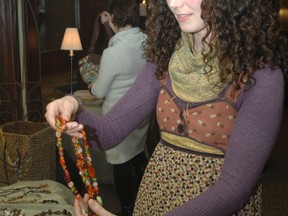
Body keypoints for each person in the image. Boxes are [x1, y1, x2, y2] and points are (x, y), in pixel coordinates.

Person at [46, 0, 288, 215]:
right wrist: (74, 107)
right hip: (158, 194)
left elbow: (234, 188)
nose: (173, 4)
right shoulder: (164, 59)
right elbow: (109, 132)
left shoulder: (262, 76)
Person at [86, 0, 149, 215]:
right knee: (138, 153)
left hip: (117, 116)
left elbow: (99, 92)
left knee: (121, 164)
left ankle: (126, 208)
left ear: (114, 17)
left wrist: (90, 83)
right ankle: (149, 197)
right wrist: (110, 22)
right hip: (140, 112)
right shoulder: (146, 41)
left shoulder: (111, 54)